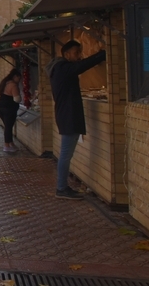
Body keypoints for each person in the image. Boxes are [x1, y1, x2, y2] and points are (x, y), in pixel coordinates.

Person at [46, 40, 106, 200]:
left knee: (66, 154)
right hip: (68, 116)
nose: (79, 56)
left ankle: (62, 187)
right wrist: (102, 54)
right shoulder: (63, 68)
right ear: (66, 54)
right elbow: (82, 66)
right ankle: (61, 188)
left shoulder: (59, 68)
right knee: (65, 154)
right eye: (76, 53)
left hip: (67, 115)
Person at [0, 69, 22, 152]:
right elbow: (17, 99)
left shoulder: (5, 82)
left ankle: (11, 143)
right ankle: (7, 145)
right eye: (19, 78)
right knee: (8, 126)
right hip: (9, 108)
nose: (19, 80)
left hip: (0, 106)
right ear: (15, 76)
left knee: (8, 126)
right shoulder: (13, 85)